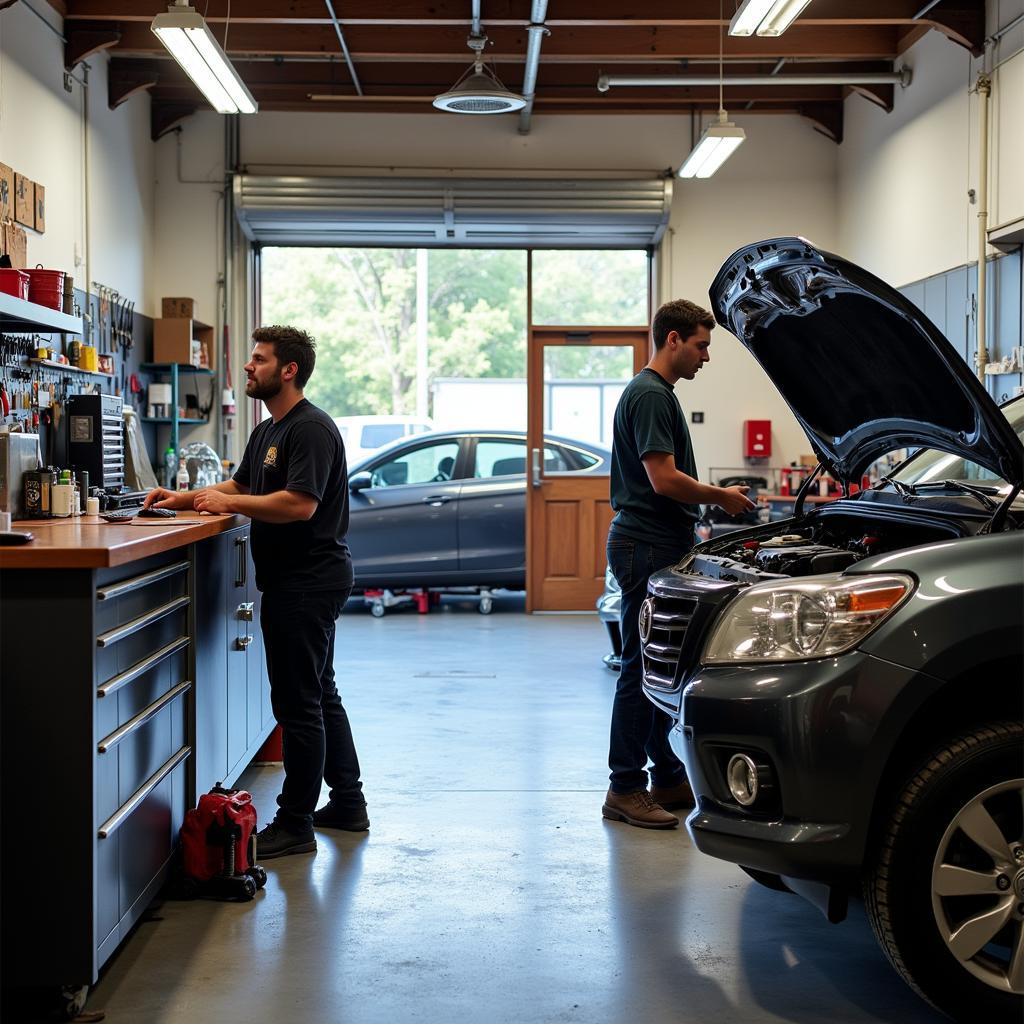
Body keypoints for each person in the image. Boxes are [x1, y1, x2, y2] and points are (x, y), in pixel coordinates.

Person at [145, 325, 368, 858]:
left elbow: (298, 504)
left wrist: (230, 506)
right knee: (319, 692)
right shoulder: (269, 431)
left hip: (308, 581)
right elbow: (244, 485)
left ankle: (294, 823)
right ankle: (348, 803)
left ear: (288, 370)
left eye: (259, 360)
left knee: (298, 704)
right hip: (296, 580)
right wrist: (183, 498)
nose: (248, 367)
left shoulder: (309, 429)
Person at [603, 300, 755, 829]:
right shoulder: (648, 395)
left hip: (658, 539)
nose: (706, 357)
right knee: (640, 669)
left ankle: (665, 775)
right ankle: (624, 788)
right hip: (646, 543)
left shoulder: (657, 394)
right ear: (672, 340)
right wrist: (721, 496)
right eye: (701, 345)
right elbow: (662, 480)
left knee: (658, 666)